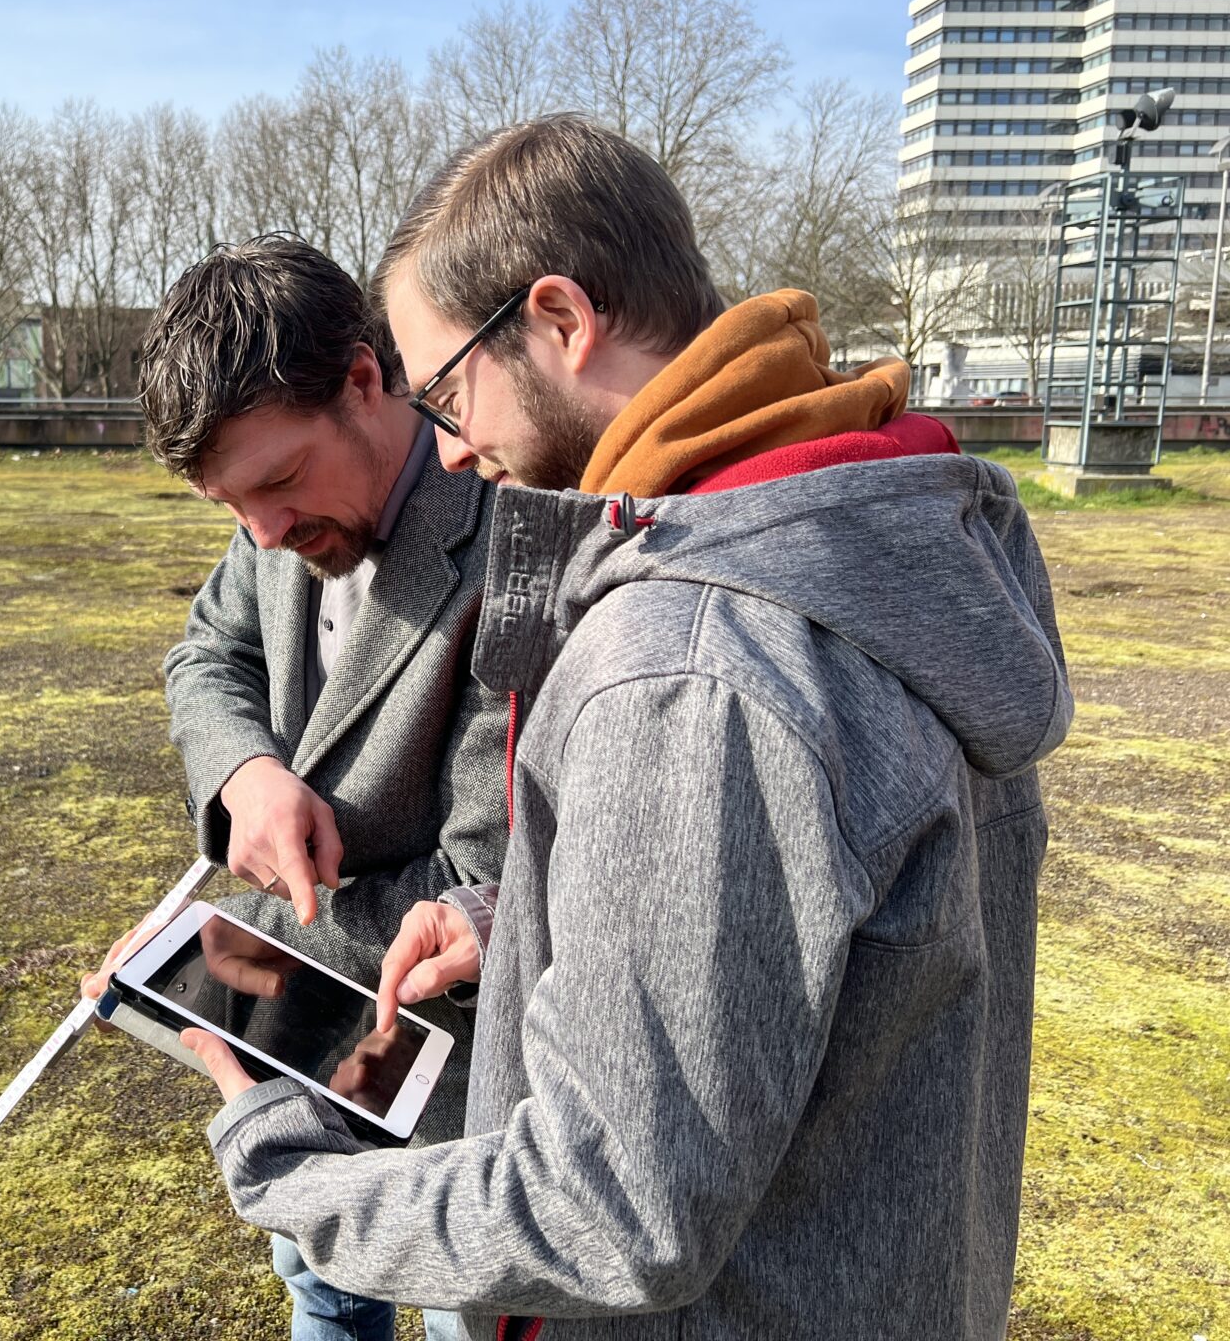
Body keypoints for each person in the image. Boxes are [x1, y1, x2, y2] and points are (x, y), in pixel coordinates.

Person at [179, 115, 1073, 1341]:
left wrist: (285, 1167)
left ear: (560, 319)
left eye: (446, 390)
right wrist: (513, 914)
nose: (450, 444)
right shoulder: (877, 537)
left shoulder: (690, 664)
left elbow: (610, 1210)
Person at [83, 234, 510, 1341]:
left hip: (466, 1092)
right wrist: (245, 772)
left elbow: (488, 883)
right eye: (231, 509)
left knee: (466, 1317)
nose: (265, 534)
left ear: (368, 379)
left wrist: (233, 941)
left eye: (278, 483)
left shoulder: (512, 537)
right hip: (307, 1052)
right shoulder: (272, 518)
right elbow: (206, 656)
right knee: (320, 1285)